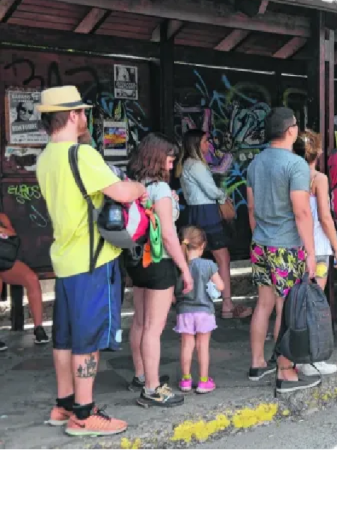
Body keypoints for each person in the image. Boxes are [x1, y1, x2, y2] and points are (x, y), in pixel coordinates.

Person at [37, 85, 145, 436]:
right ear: (72, 115)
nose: (86, 117)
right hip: (93, 262)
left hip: (66, 261)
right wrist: (140, 187)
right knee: (88, 339)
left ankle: (64, 404)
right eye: (82, 112)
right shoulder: (82, 155)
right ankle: (84, 414)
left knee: (65, 337)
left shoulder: (46, 158)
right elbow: (122, 192)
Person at [246, 107, 318, 394]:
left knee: (263, 304)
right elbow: (302, 211)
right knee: (287, 309)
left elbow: (251, 207)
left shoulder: (256, 163)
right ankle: (285, 372)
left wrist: (260, 235)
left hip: (260, 243)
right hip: (286, 246)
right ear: (291, 130)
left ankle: (257, 363)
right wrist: (311, 252)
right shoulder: (296, 164)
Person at [125, 132, 192, 408]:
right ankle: (152, 389)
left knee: (140, 322)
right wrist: (185, 268)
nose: (172, 164)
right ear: (157, 157)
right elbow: (168, 235)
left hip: (137, 261)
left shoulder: (135, 184)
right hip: (159, 262)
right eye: (169, 158)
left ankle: (141, 375)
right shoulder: (161, 189)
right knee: (154, 329)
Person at [177, 129, 251, 320]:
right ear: (196, 144)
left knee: (193, 259)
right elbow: (211, 191)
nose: (208, 144)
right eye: (204, 141)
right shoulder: (196, 165)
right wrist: (223, 195)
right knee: (223, 258)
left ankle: (192, 303)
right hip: (207, 213)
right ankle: (227, 305)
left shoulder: (187, 164)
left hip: (195, 213)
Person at [290, 129, 337, 376]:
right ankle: (311, 358)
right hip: (318, 247)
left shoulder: (290, 175)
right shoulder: (318, 179)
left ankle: (293, 357)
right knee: (314, 303)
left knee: (296, 304)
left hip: (294, 245)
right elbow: (325, 217)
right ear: (318, 152)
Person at [174, 226, 223, 394]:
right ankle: (203, 381)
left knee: (186, 346)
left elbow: (175, 292)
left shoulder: (180, 266)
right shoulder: (208, 265)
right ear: (202, 245)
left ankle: (186, 380)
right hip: (204, 312)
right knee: (203, 346)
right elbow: (220, 286)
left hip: (184, 311)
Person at [0, 212, 49, 344]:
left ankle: (38, 328)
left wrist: (2, 231)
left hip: (4, 260)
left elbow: (12, 235)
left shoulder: (2, 217)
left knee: (31, 278)